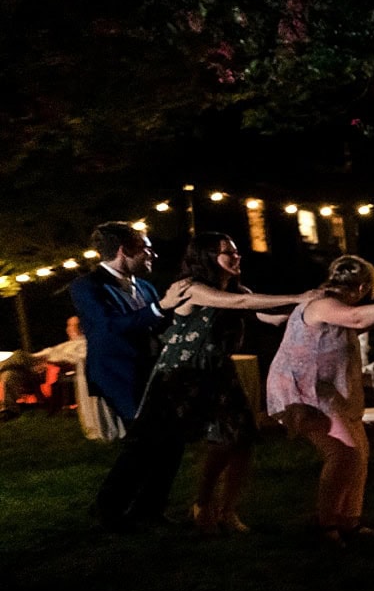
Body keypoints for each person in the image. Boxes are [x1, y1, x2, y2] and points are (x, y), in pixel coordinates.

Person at [144, 232, 318, 533]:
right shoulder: (193, 288)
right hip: (188, 373)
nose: (237, 257)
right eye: (228, 252)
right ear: (207, 257)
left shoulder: (237, 290)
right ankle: (201, 504)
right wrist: (299, 296)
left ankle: (227, 510)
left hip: (219, 372)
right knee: (221, 440)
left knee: (242, 440)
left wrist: (314, 308)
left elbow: (268, 318)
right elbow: (240, 302)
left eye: (236, 252)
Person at [267, 255, 374, 544]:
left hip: (325, 391)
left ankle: (349, 521)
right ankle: (325, 524)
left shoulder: (334, 309)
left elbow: (353, 325)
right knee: (343, 453)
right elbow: (354, 318)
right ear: (363, 287)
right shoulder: (322, 304)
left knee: (359, 452)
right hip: (306, 392)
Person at [68, 222, 190, 528]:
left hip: (153, 371)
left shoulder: (145, 286)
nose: (153, 254)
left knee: (171, 439)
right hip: (118, 374)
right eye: (146, 247)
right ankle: (109, 508)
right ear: (125, 250)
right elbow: (109, 328)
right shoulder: (87, 286)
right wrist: (161, 307)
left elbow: (157, 324)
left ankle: (149, 507)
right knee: (144, 440)